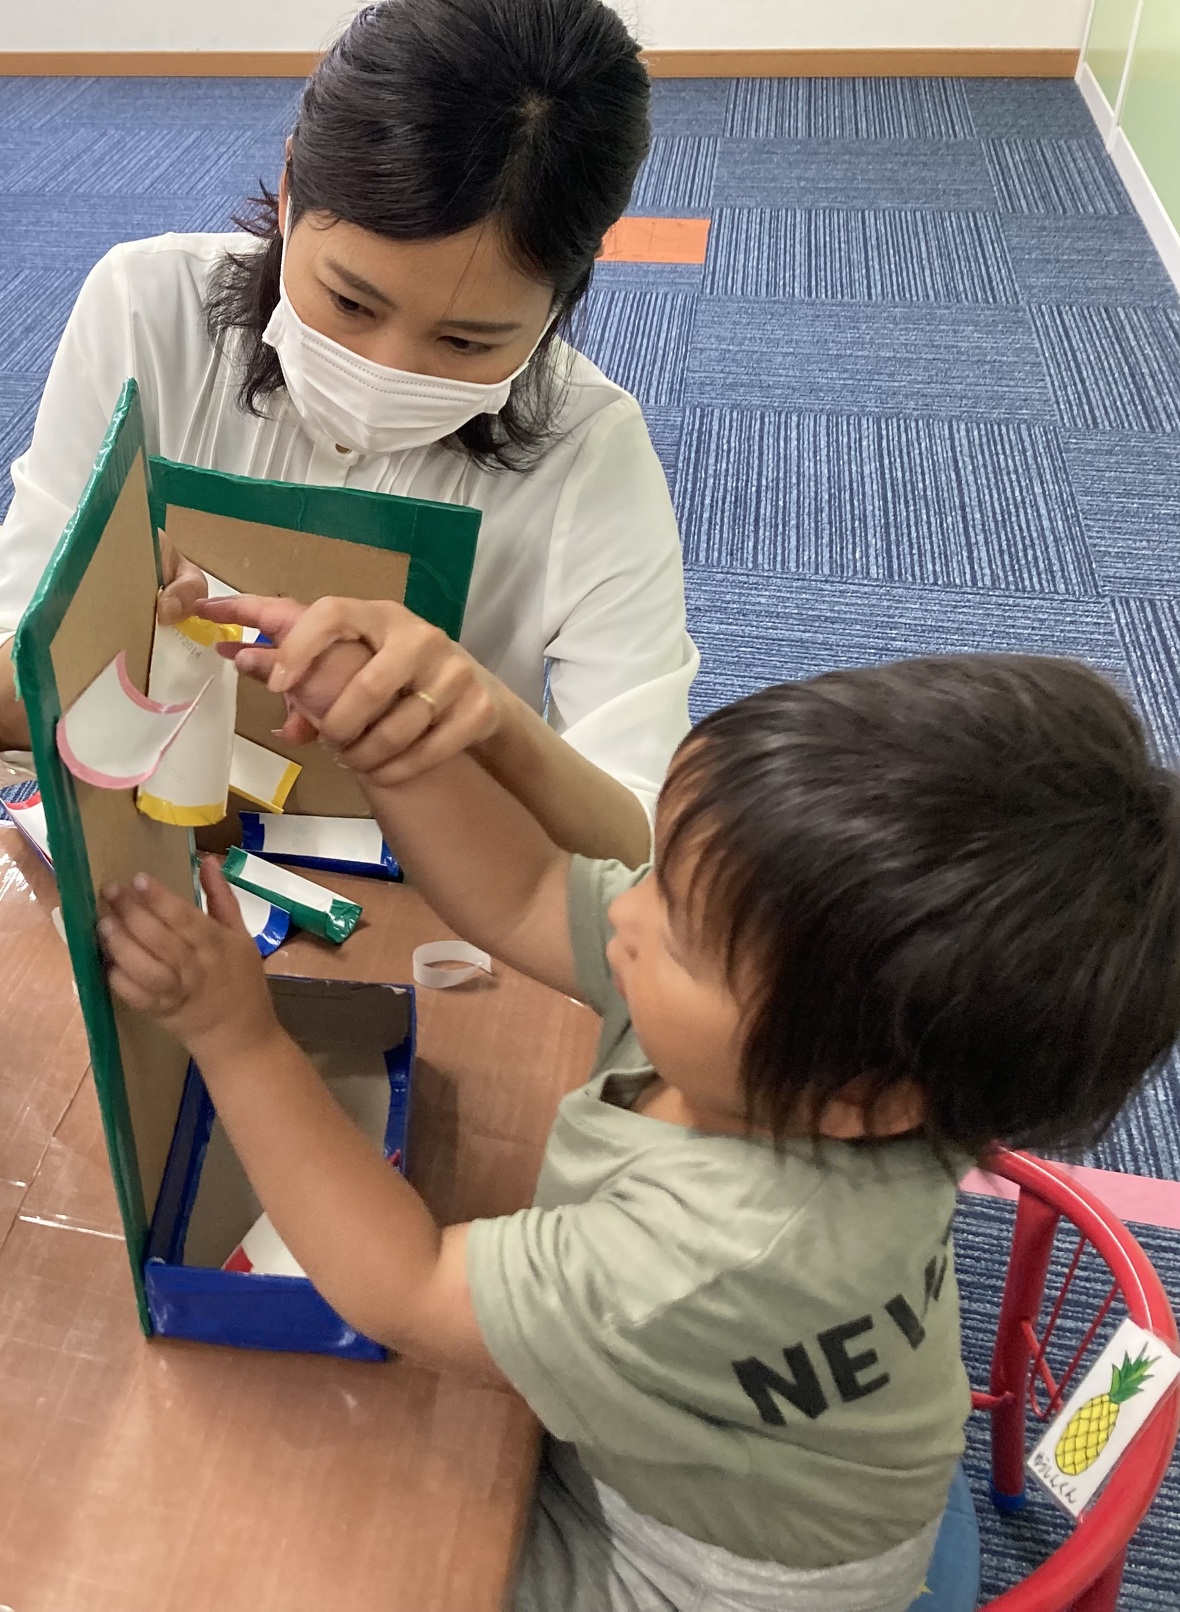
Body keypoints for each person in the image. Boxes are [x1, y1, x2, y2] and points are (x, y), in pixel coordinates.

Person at [98, 633, 1180, 1612]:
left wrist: (239, 1040)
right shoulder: (816, 1055)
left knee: (301, 1545)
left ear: (858, 1099)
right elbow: (527, 886)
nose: (625, 906)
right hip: (755, 1461)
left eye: (682, 933)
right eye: (665, 874)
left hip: (702, 1578)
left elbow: (408, 1286)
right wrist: (380, 746)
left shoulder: (713, 1249)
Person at [0, 0, 695, 844]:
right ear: (292, 187)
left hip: (430, 884)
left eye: (466, 341)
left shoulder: (589, 449)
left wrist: (500, 728)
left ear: (563, 300)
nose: (387, 371)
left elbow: (641, 839)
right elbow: (14, 650)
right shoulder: (147, 311)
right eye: (351, 303)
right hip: (130, 839)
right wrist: (93, 633)